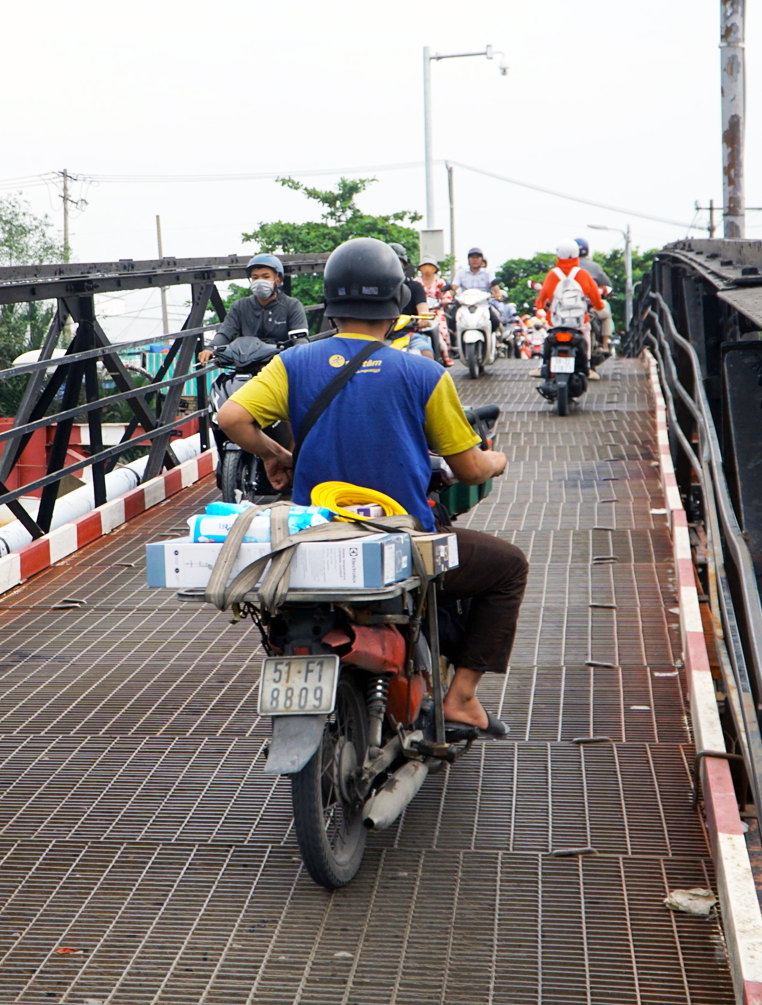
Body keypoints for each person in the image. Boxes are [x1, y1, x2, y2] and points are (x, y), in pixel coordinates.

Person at [215, 237, 529, 740]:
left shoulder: (294, 364)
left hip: (314, 535)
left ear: (330, 305)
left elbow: (231, 416)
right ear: (396, 304)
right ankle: (463, 699)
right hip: (399, 537)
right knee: (507, 567)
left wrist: (277, 456)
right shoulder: (423, 373)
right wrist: (498, 458)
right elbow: (468, 470)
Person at [198, 254, 309, 364]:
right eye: (255, 278)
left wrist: (302, 352)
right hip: (246, 365)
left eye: (266, 277)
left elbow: (300, 339)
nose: (260, 281)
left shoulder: (292, 305)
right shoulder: (240, 306)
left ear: (278, 280)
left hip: (280, 365)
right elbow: (226, 332)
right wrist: (210, 348)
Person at [535, 240, 610, 381]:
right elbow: (595, 296)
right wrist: (599, 306)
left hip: (556, 321)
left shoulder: (552, 275)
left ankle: (542, 365)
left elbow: (542, 296)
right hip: (579, 320)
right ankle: (587, 367)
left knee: (548, 337)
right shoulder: (583, 274)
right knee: (586, 335)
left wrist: (539, 306)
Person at [574, 238, 617, 360]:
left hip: (564, 308)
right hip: (588, 307)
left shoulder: (562, 268)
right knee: (606, 314)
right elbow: (607, 285)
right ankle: (605, 345)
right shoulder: (594, 267)